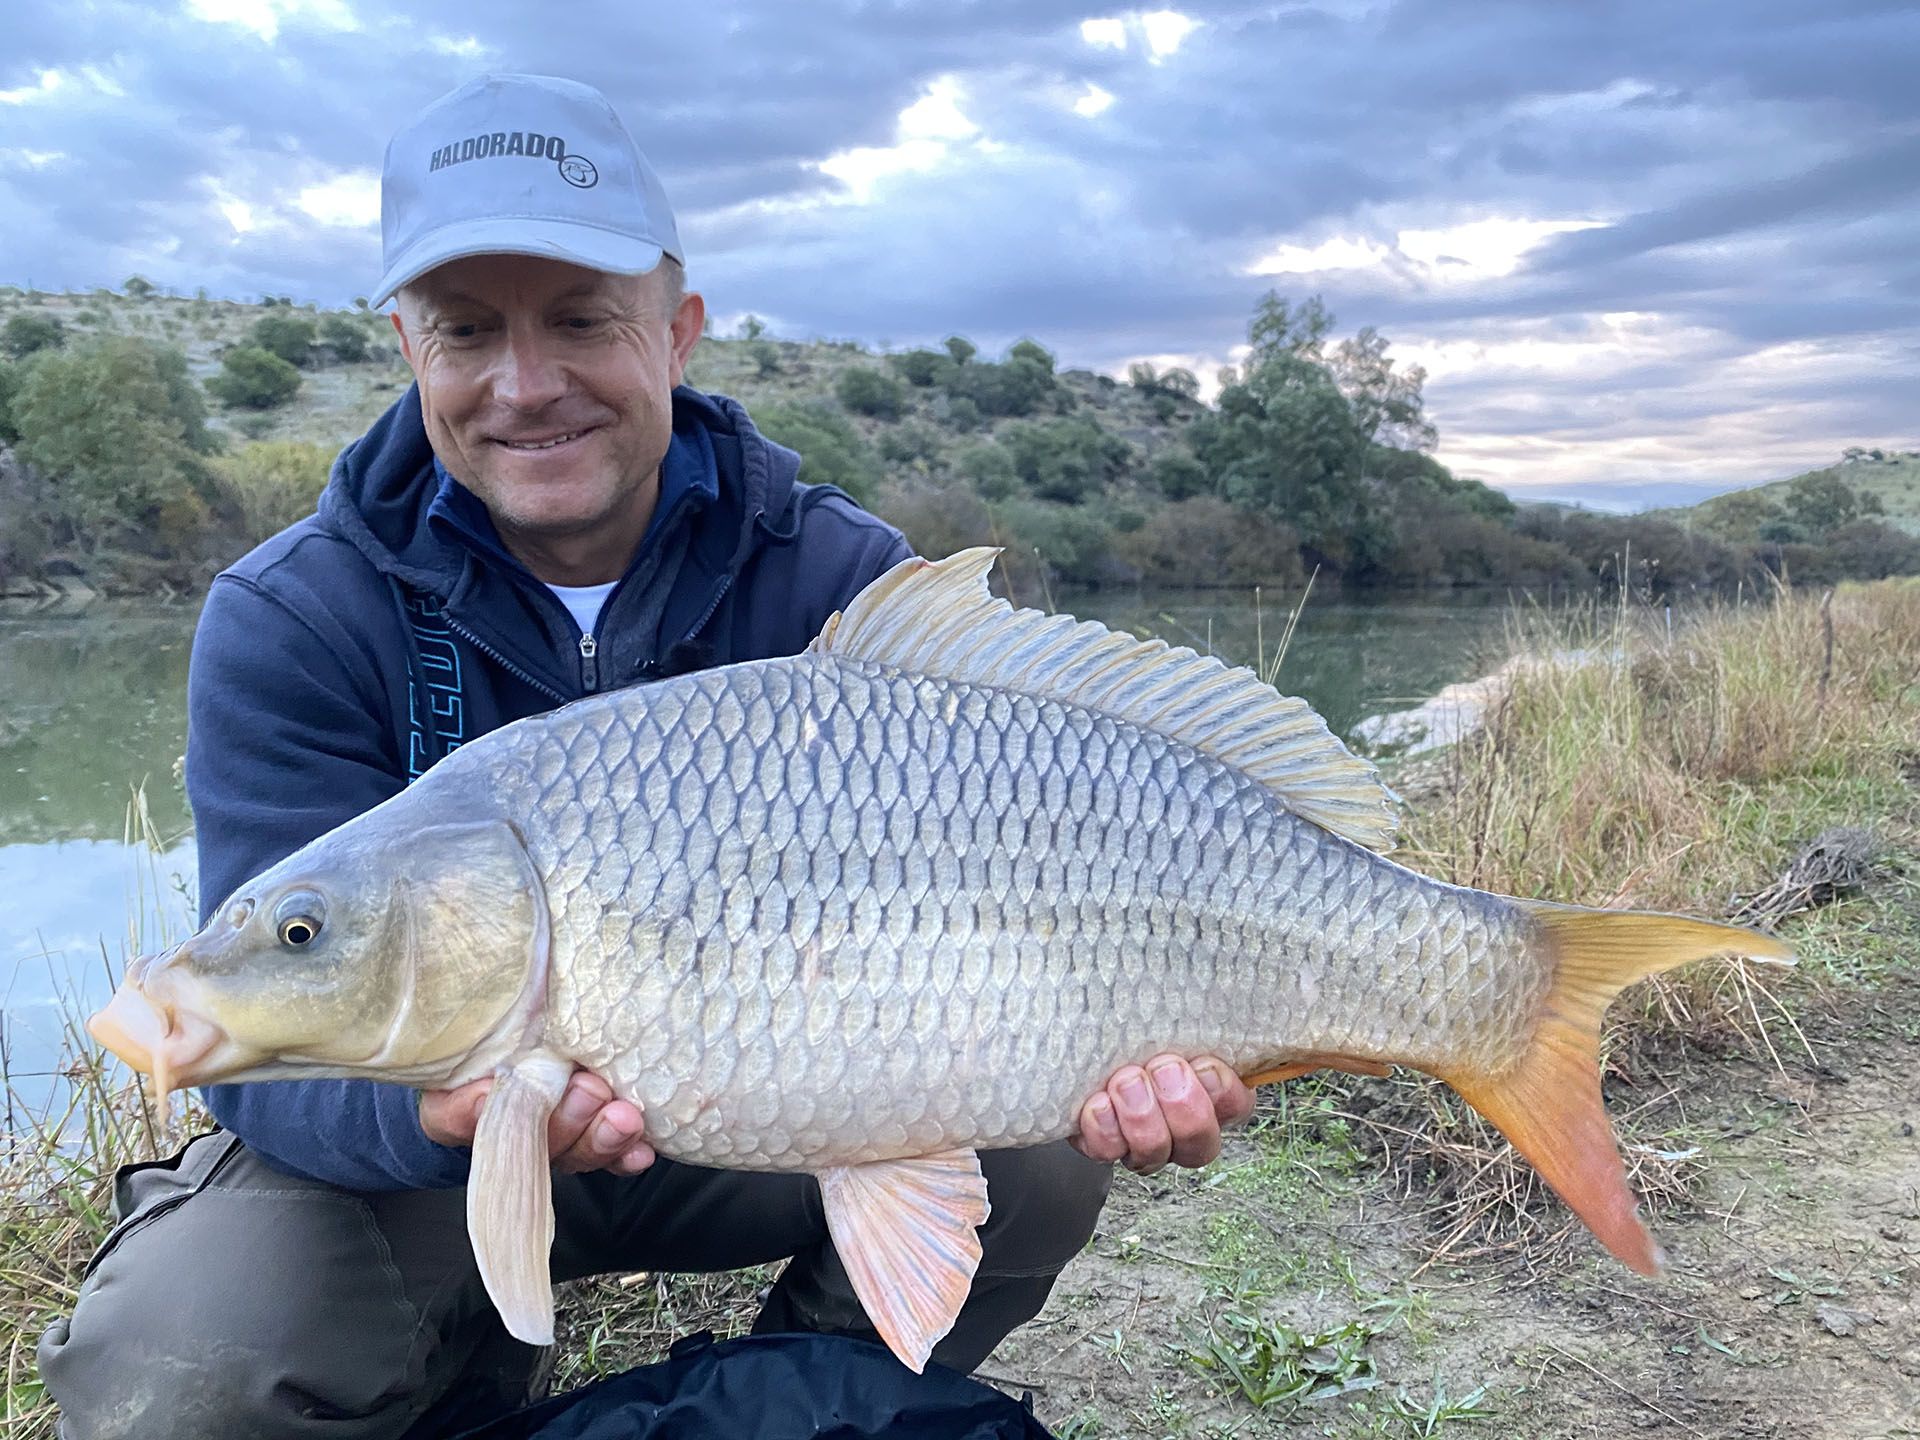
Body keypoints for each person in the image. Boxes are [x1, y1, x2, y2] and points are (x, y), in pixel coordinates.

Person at [40, 74, 1256, 1439]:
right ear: (407, 348)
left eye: (579, 320)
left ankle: (824, 1395)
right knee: (177, 1369)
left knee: (1038, 1143)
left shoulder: (836, 576)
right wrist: (441, 1121)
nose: (525, 383)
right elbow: (282, 1045)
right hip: (419, 1150)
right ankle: (466, 1365)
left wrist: (1149, 1046)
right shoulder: (295, 615)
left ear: (677, 332)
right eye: (465, 331)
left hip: (771, 1108)